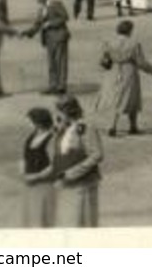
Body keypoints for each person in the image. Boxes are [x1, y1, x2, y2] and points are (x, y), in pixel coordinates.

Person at [49, 94, 104, 227]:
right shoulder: (64, 129)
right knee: (67, 224)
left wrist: (72, 173)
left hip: (82, 185)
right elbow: (59, 152)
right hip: (65, 185)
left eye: (59, 113)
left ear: (68, 112)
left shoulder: (86, 128)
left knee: (82, 224)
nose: (57, 117)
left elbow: (97, 154)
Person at [98, 19, 152, 137]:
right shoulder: (134, 44)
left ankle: (112, 125)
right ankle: (133, 126)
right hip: (129, 71)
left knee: (116, 98)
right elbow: (141, 62)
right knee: (131, 98)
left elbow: (103, 59)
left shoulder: (109, 42)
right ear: (129, 30)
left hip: (113, 71)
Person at [22, 0, 72, 95]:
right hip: (49, 40)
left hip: (59, 37)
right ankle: (53, 85)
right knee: (51, 63)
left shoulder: (55, 4)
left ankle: (61, 86)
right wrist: (27, 32)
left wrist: (50, 23)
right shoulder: (41, 9)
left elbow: (65, 17)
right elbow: (37, 24)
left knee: (60, 62)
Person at [20, 107, 59, 228]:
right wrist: (23, 171)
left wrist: (35, 177)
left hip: (44, 184)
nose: (29, 123)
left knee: (44, 219)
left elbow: (55, 165)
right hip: (30, 183)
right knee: (31, 219)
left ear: (38, 122)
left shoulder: (52, 138)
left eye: (30, 121)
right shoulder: (33, 135)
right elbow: (26, 156)